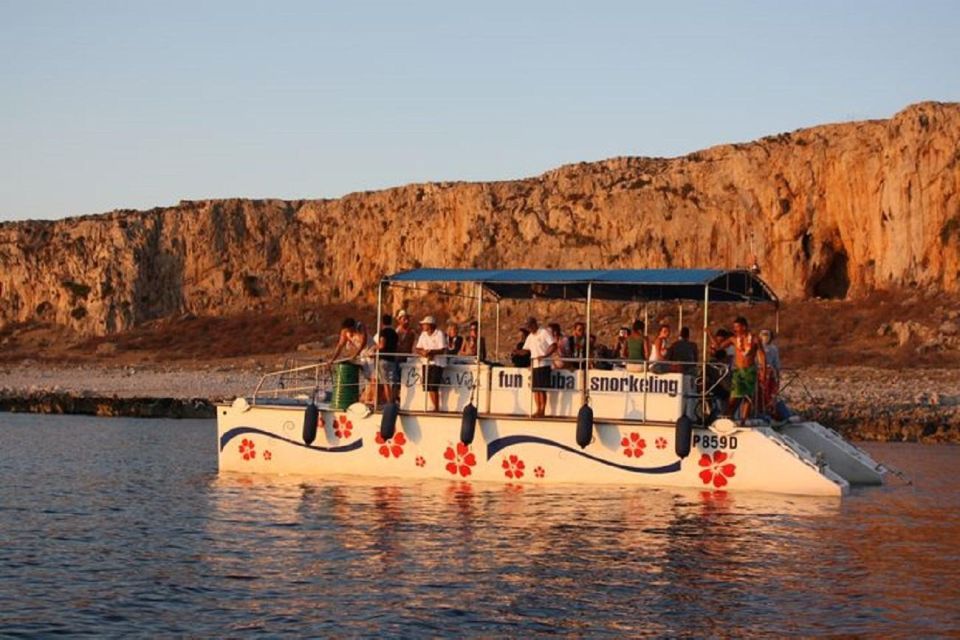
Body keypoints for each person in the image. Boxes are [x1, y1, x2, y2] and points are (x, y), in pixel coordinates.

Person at [712, 316, 766, 423]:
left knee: (748, 398)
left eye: (737, 327)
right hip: (738, 371)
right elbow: (718, 347)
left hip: (750, 371)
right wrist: (709, 334)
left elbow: (761, 355)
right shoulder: (733, 339)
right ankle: (727, 418)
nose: (735, 329)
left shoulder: (755, 339)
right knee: (734, 397)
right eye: (734, 327)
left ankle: (743, 421)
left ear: (744, 327)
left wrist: (763, 371)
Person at [519, 317, 557, 418]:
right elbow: (526, 350)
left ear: (535, 323)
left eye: (530, 325)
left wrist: (545, 356)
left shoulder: (544, 332)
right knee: (535, 389)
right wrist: (517, 352)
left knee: (541, 389)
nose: (529, 328)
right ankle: (537, 409)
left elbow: (553, 345)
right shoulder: (530, 336)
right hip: (535, 365)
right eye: (528, 326)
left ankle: (542, 410)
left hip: (544, 364)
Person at [415, 315, 447, 411]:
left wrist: (431, 352)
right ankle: (434, 406)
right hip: (426, 363)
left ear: (430, 325)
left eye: (424, 324)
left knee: (433, 386)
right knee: (427, 386)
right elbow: (417, 348)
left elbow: (442, 349)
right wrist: (423, 353)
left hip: (437, 363)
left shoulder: (439, 334)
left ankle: (436, 408)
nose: (423, 326)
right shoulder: (423, 334)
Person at [374, 314, 399, 403]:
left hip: (383, 359)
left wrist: (374, 348)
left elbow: (382, 345)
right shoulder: (395, 333)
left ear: (382, 322)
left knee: (386, 382)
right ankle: (394, 399)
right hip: (392, 359)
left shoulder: (383, 332)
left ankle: (389, 402)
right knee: (393, 381)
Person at [758, 329, 781, 415]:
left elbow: (776, 363)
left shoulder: (774, 348)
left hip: (770, 373)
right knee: (760, 393)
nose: (765, 337)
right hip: (759, 372)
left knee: (770, 394)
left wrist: (778, 377)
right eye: (763, 335)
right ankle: (760, 410)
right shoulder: (757, 347)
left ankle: (770, 410)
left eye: (767, 335)